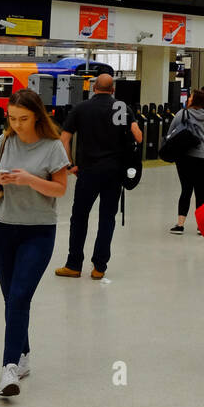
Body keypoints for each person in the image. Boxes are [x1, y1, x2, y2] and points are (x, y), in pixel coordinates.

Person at [0, 90, 70, 398]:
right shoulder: (4, 141)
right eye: (12, 118)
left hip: (38, 232)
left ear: (37, 115)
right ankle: (23, 356)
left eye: (23, 119)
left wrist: (30, 180)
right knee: (12, 298)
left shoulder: (52, 148)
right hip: (2, 230)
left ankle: (9, 368)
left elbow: (60, 190)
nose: (17, 124)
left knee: (20, 296)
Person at [56, 73, 143, 278]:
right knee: (107, 219)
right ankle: (99, 268)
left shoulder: (81, 108)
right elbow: (138, 137)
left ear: (94, 87)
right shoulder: (122, 108)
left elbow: (64, 140)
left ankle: (74, 265)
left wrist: (70, 165)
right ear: (112, 90)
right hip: (114, 172)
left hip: (87, 172)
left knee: (79, 217)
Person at [166, 89, 204, 235]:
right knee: (200, 191)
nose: (188, 99)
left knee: (185, 190)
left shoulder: (182, 114)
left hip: (184, 157)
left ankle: (180, 225)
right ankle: (201, 226)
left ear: (194, 100)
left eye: (190, 97)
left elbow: (170, 134)